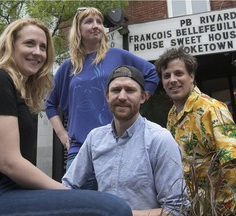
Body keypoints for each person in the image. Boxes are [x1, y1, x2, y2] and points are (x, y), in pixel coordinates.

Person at [0, 18, 133, 216]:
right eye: (29, 43)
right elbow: (9, 162)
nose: (37, 52)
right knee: (114, 208)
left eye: (43, 47)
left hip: (10, 190)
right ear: (10, 45)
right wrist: (65, 192)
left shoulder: (16, 91)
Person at [45, 7, 159, 190]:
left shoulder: (117, 55)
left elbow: (151, 73)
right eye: (89, 21)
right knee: (79, 206)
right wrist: (62, 135)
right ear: (78, 28)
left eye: (99, 22)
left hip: (118, 146)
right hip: (80, 149)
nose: (96, 26)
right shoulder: (68, 67)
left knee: (117, 204)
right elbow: (50, 104)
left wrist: (139, 98)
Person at [62, 65, 190, 216]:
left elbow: (176, 210)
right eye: (116, 90)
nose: (122, 96)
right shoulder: (95, 138)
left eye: (130, 90)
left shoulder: (159, 139)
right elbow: (68, 187)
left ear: (143, 97)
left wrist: (118, 213)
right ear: (107, 96)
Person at [155, 46, 236, 215]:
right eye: (166, 76)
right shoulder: (172, 114)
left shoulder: (211, 109)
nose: (172, 80)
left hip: (221, 210)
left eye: (178, 73)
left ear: (192, 76)